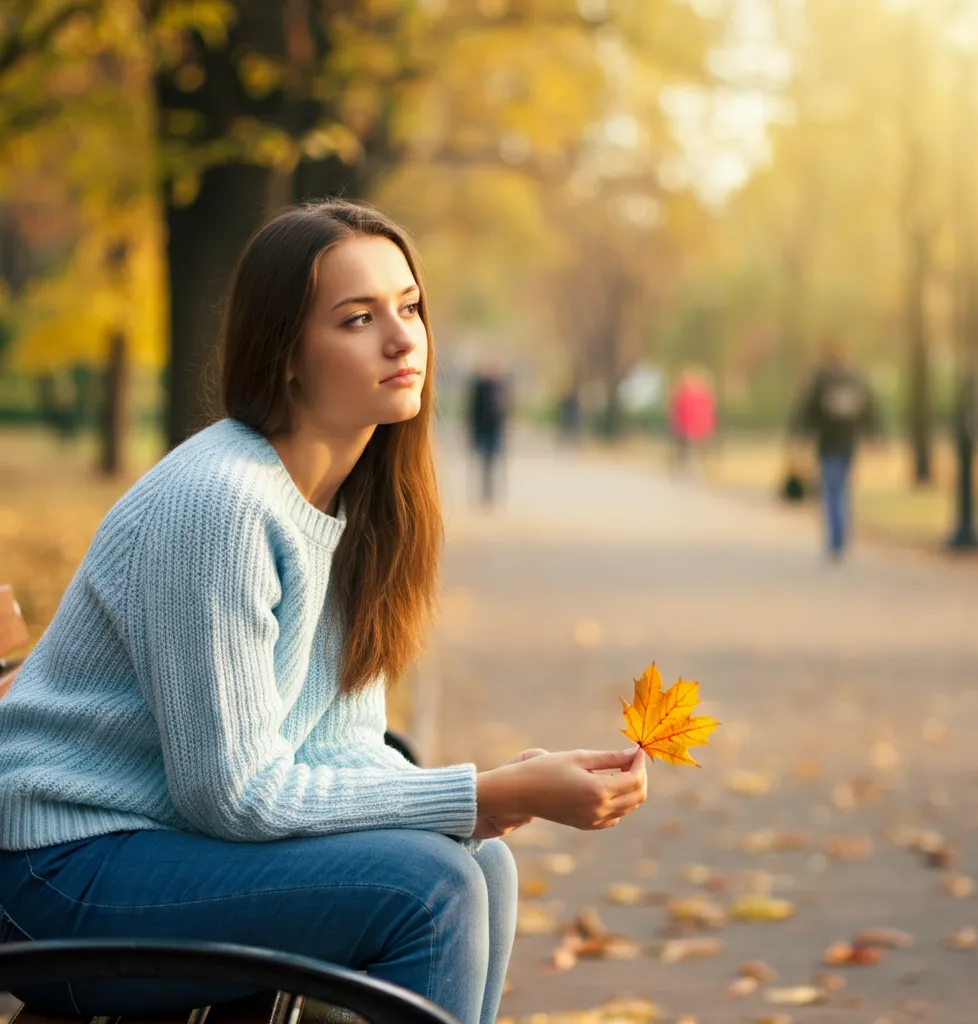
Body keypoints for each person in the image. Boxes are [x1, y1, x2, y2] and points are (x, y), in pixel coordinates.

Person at [0, 200, 647, 1024]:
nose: (401, 338)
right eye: (357, 318)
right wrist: (476, 792)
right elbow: (229, 794)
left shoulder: (352, 508)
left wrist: (497, 799)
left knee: (480, 866)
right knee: (433, 889)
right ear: (287, 356)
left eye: (409, 307)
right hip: (61, 873)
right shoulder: (220, 504)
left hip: (155, 847)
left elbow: (334, 748)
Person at [791, 340, 881, 559]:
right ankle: (841, 535)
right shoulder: (855, 379)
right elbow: (870, 409)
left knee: (831, 491)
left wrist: (800, 434)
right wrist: (873, 434)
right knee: (842, 488)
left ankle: (836, 538)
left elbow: (807, 411)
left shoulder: (822, 380)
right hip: (849, 443)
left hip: (828, 444)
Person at [465, 361, 510, 505]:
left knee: (491, 463)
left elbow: (506, 409)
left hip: (493, 429)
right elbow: (474, 409)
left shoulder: (500, 385)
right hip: (483, 429)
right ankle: (485, 493)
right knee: (485, 463)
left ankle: (490, 493)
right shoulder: (481, 386)